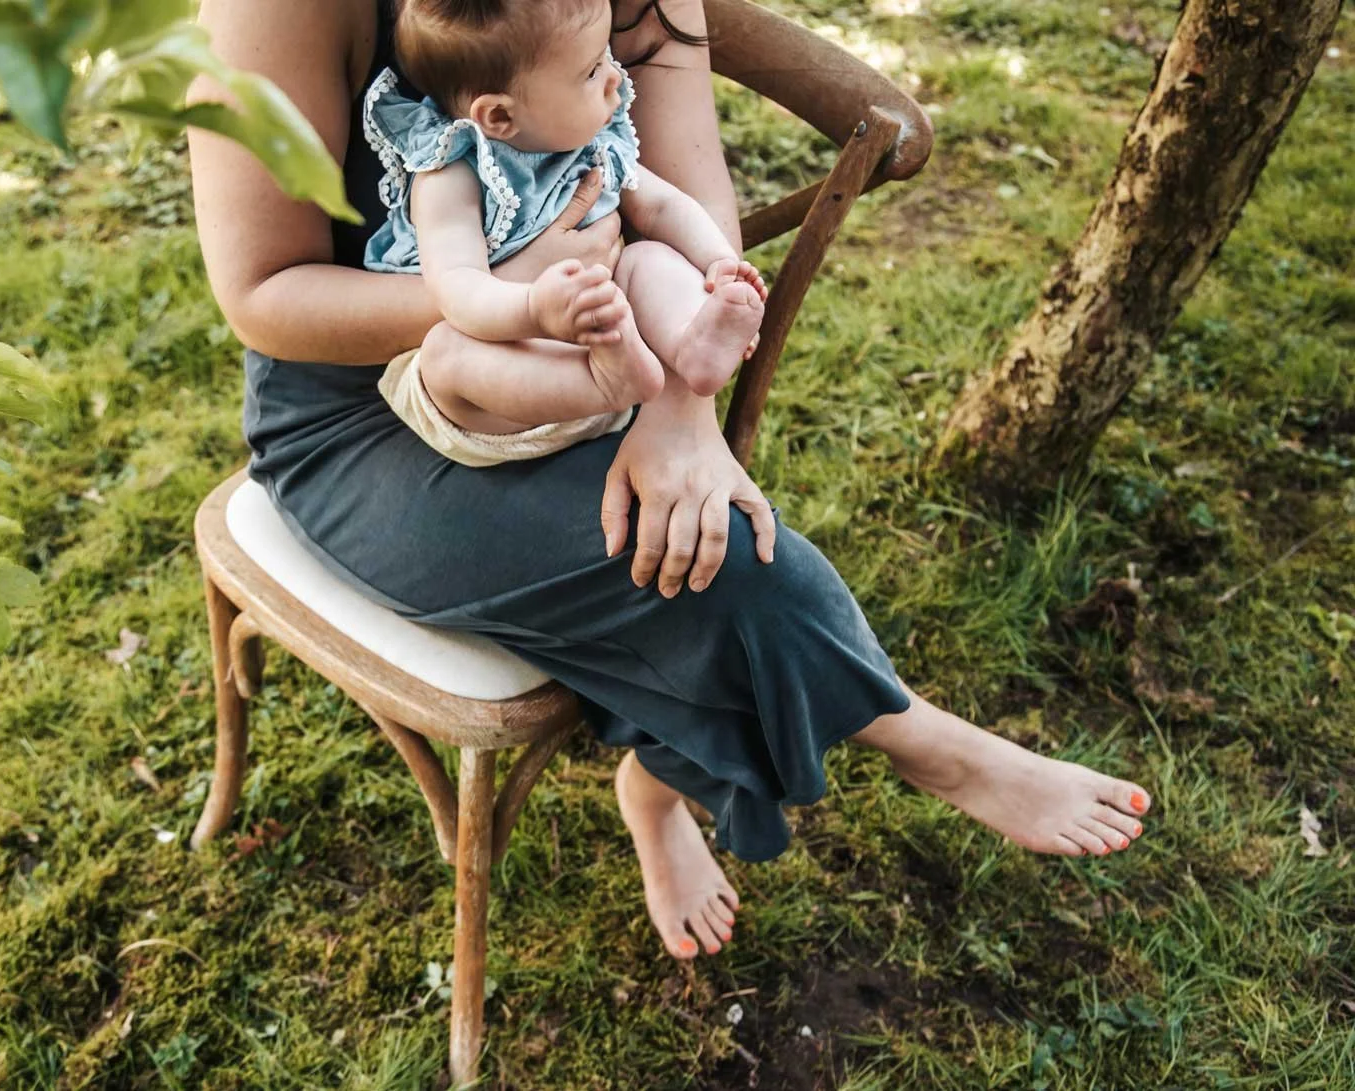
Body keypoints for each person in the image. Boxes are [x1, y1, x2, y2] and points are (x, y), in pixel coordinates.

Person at [190, 0, 1153, 962]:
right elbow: (265, 293)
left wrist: (683, 409)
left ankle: (657, 782)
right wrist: (522, 297)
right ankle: (919, 742)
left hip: (620, 346)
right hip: (378, 404)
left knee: (691, 542)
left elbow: (683, 189)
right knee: (727, 570)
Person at [362, 0, 767, 468]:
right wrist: (535, 310)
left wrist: (716, 262)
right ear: (498, 117)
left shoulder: (592, 144)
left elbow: (662, 205)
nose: (614, 75)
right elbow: (456, 289)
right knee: (444, 353)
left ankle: (689, 340)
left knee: (647, 259)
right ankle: (603, 382)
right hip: (505, 400)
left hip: (613, 344)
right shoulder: (450, 174)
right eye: (592, 71)